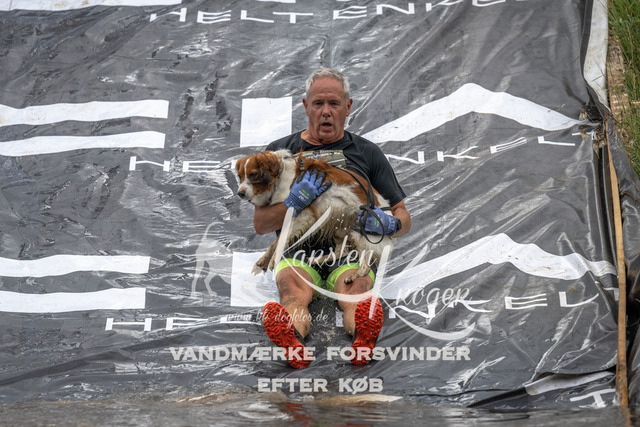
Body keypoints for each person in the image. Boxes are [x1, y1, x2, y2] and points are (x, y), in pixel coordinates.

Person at [254, 68, 411, 368]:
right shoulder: (279, 155)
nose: (326, 111)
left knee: (356, 290)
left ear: (348, 107)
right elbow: (260, 225)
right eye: (318, 103)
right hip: (297, 251)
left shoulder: (367, 153)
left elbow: (403, 214)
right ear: (306, 106)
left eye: (334, 103)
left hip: (350, 250)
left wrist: (390, 223)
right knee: (292, 291)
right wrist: (291, 203)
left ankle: (363, 339)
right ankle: (292, 341)